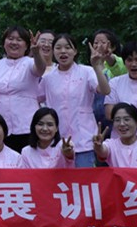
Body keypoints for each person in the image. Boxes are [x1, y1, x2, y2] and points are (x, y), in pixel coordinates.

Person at [37, 33, 111, 168]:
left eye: (67, 47)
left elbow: (105, 90)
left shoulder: (87, 71)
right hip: (57, 140)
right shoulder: (48, 78)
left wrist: (97, 67)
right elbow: (34, 98)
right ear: (53, 52)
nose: (63, 51)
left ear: (75, 51)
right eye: (58, 48)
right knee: (61, 179)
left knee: (84, 179)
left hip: (84, 138)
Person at [0, 26, 43, 152]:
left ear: (26, 45)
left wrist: (36, 53)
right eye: (10, 39)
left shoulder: (29, 63)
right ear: (3, 43)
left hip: (27, 126)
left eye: (19, 40)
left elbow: (40, 69)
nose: (14, 42)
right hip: (1, 128)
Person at [93, 103, 137, 168]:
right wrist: (98, 147)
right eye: (117, 120)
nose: (122, 124)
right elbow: (102, 151)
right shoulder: (111, 145)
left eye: (126, 119)